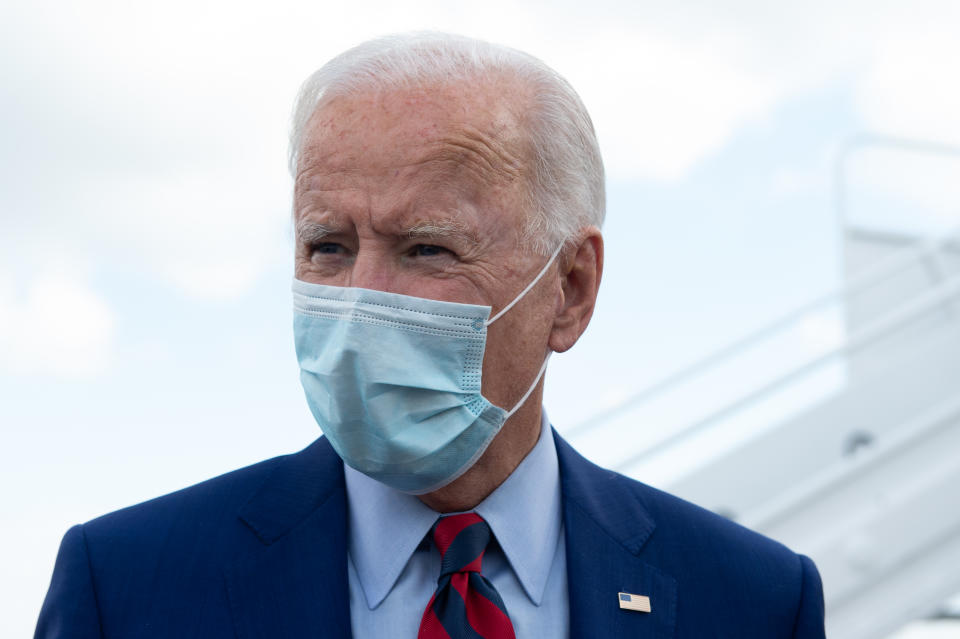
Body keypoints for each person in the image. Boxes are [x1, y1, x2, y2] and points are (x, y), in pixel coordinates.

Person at [35, 33, 825, 638]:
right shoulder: (128, 585)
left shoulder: (753, 600)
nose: (359, 305)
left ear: (572, 288)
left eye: (427, 249)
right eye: (328, 247)